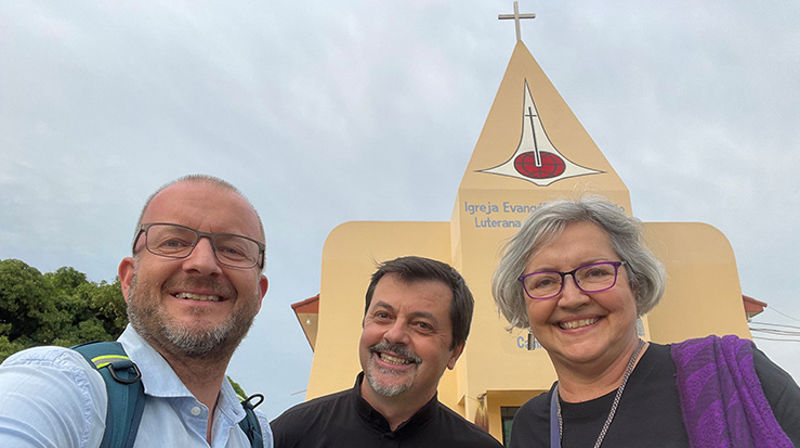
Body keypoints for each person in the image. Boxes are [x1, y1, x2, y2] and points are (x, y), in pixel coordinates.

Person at [492, 197, 800, 448]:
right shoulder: (531, 425)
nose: (572, 299)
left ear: (635, 283)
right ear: (524, 302)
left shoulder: (734, 375)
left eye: (596, 272)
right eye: (545, 281)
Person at [0, 175, 273, 447]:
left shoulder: (254, 434)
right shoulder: (63, 390)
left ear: (259, 294)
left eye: (232, 249)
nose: (202, 263)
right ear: (129, 279)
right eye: (174, 242)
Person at [270, 256, 502, 448]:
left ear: (455, 352)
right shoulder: (288, 436)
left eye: (422, 325)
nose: (394, 335)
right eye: (383, 316)